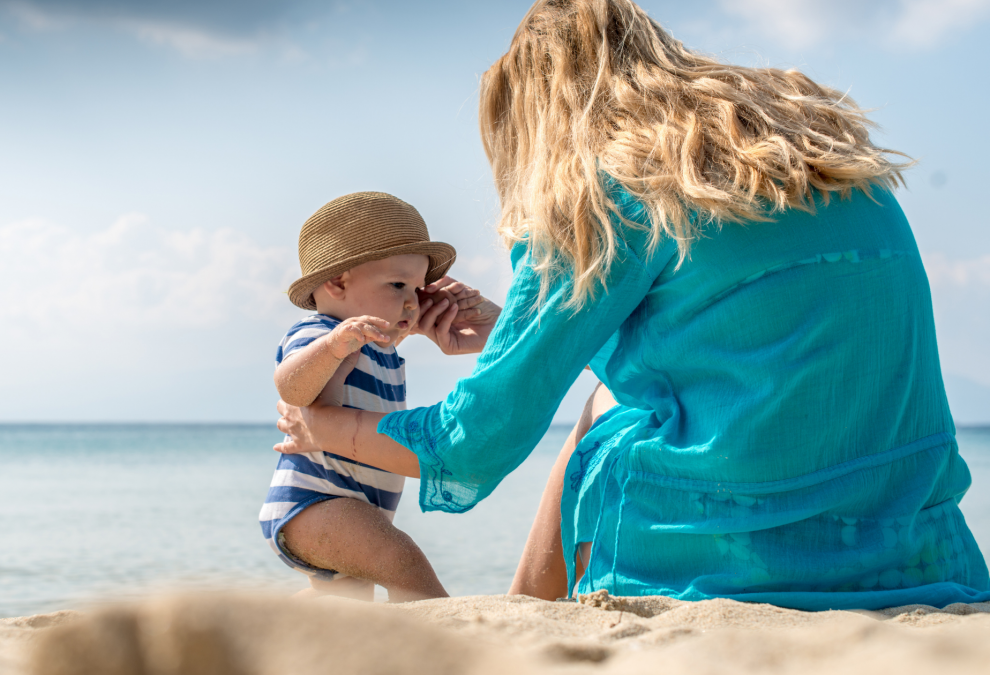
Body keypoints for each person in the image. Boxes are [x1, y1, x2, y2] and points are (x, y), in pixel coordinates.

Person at [274, 0, 990, 610]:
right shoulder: (803, 147)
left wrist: (324, 422)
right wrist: (508, 333)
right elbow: (737, 329)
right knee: (611, 395)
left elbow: (476, 442)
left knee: (600, 414)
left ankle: (527, 612)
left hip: (745, 548)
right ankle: (528, 610)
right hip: (916, 540)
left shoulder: (602, 183)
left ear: (537, 117)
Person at [259, 191, 485, 602]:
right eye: (398, 284)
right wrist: (334, 347)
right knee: (402, 561)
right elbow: (291, 388)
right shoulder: (320, 333)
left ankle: (281, 636)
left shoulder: (381, 352)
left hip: (355, 507)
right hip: (316, 502)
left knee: (346, 605)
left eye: (418, 289)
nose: (412, 302)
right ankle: (438, 644)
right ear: (337, 282)